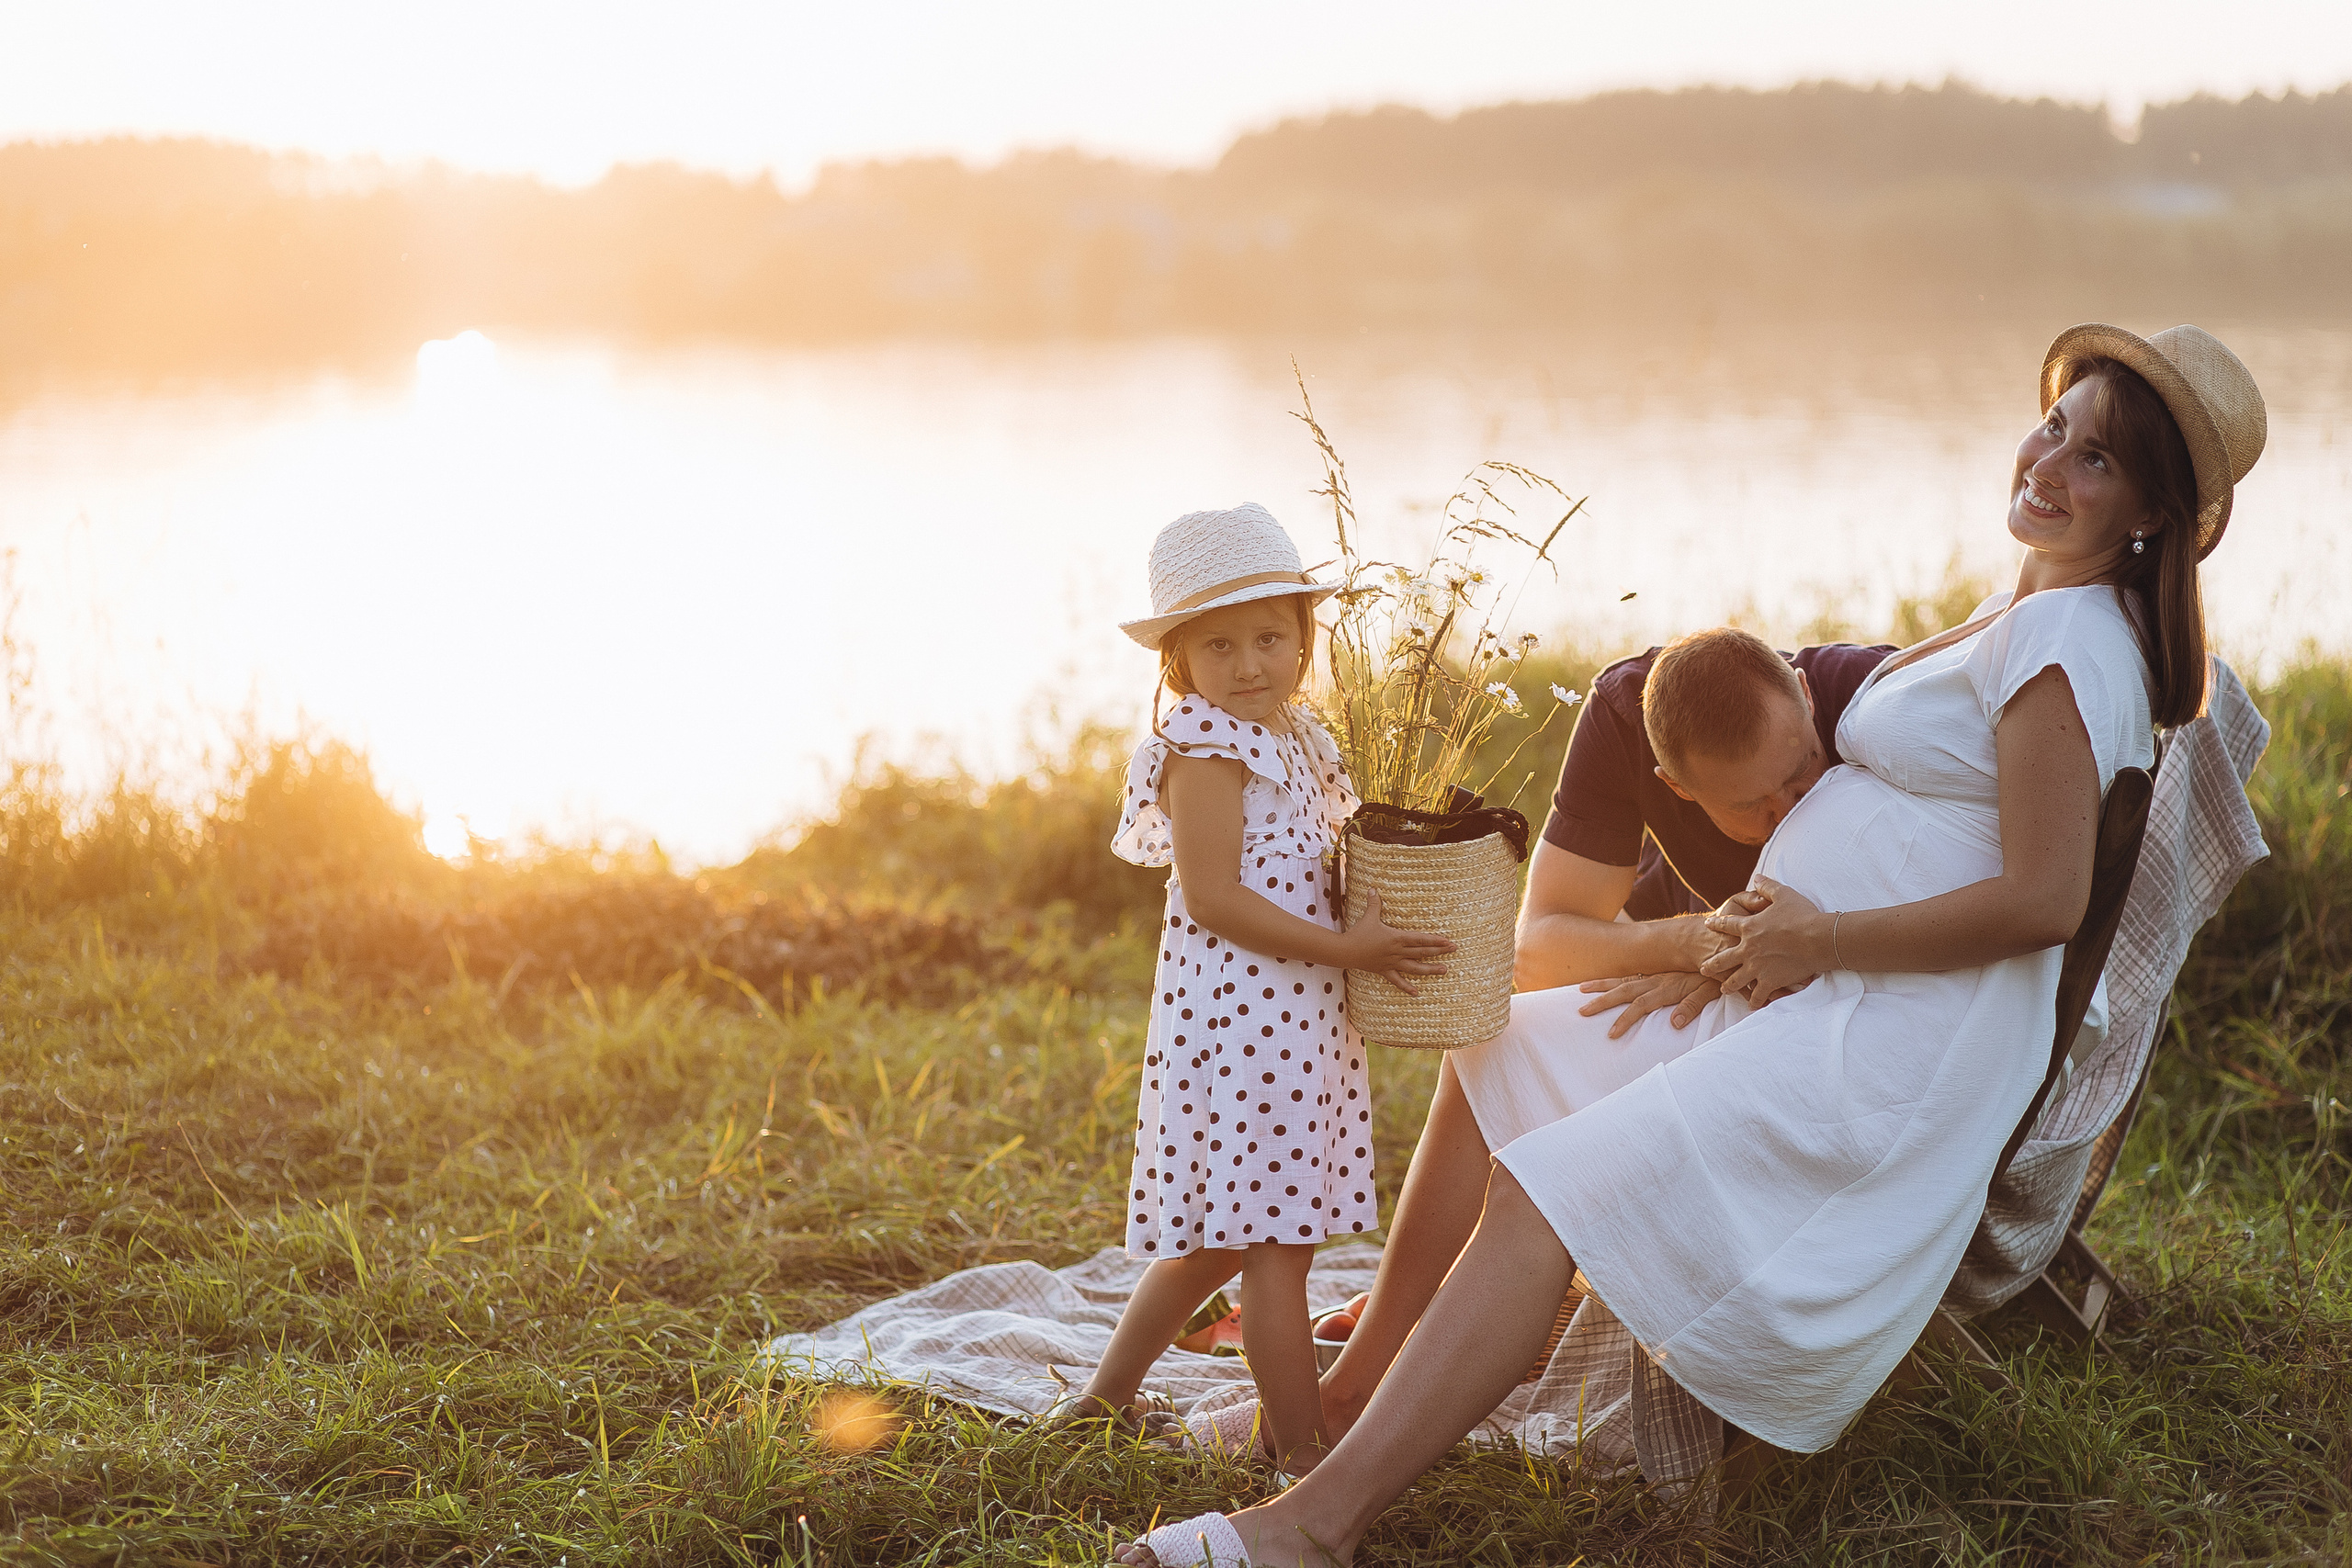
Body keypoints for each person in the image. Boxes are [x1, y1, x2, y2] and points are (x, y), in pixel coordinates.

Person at [1111, 321, 2266, 1566]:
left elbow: (2044, 901)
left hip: (1888, 1043)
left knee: (1555, 1181)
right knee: (1499, 1044)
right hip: (1810, 989)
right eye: (2054, 425)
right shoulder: (2026, 612)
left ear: (2153, 510)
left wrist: (1820, 935)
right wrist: (1734, 947)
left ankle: (1313, 1526)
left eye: (2096, 459)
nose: (2049, 463)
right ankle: (1349, 1395)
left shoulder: (2068, 643)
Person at [1050, 502, 1453, 1477]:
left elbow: (1311, 859)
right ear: (1177, 659)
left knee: (1223, 1239)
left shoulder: (1296, 735)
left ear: (1303, 635)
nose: (1248, 665)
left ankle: (1101, 1402)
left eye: (1269, 637)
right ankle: (1304, 1460)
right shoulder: (1205, 749)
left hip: (1295, 1017)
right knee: (1276, 1246)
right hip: (1247, 1024)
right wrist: (1349, 948)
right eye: (1219, 645)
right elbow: (1214, 896)